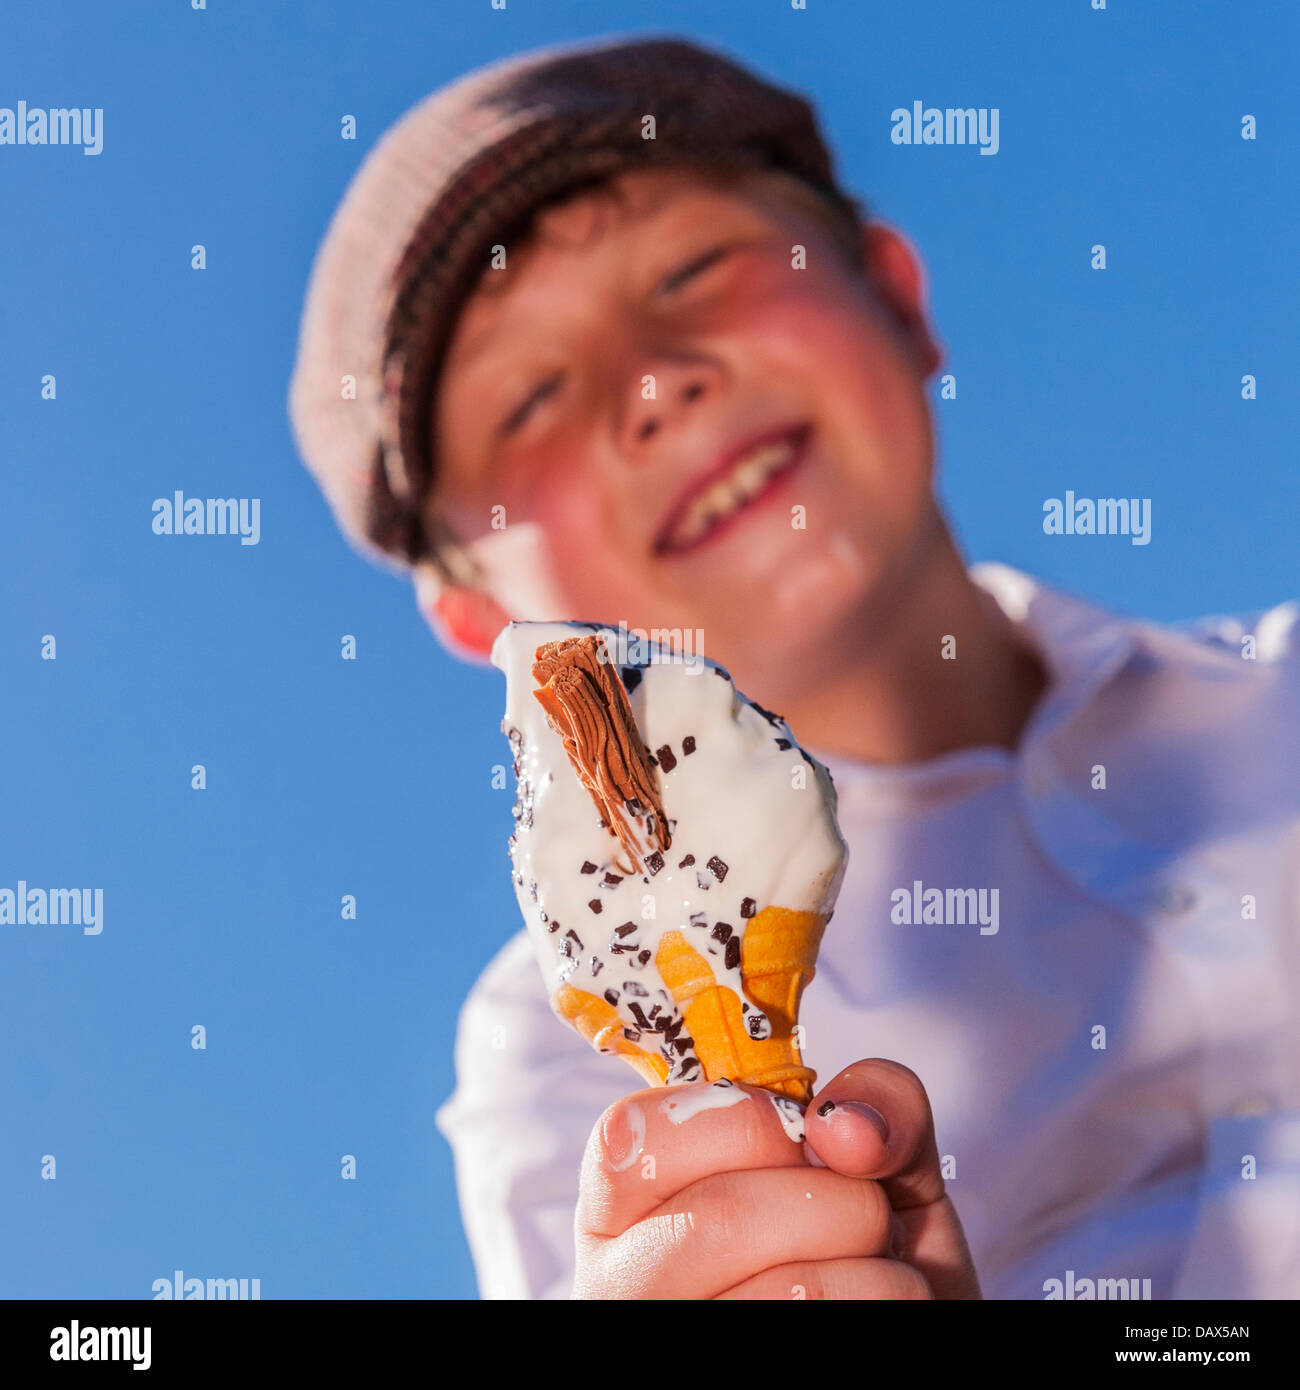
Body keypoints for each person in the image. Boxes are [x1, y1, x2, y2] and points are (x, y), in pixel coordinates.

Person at [289, 35, 1300, 1300]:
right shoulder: (565, 1086)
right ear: (483, 626)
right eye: (529, 397)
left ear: (894, 292)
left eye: (695, 268)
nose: (652, 382)